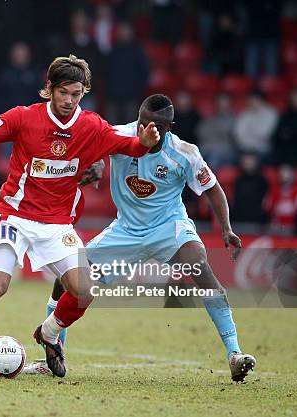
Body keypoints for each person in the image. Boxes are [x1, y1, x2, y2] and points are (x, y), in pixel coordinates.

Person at [0, 54, 160, 377]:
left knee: (85, 291)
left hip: (57, 224)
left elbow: (129, 147)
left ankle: (48, 332)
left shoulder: (91, 126)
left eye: (76, 94)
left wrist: (143, 144)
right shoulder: (23, 118)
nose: (69, 100)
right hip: (14, 216)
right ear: (49, 89)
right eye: (63, 93)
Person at [30, 94, 257, 382]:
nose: (144, 129)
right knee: (69, 275)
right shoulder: (121, 135)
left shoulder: (184, 153)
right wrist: (98, 164)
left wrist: (226, 228)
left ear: (168, 128)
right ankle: (54, 347)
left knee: (200, 267)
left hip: (168, 228)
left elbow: (212, 188)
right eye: (141, 122)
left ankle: (235, 354)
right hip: (125, 231)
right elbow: (93, 147)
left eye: (154, 126)